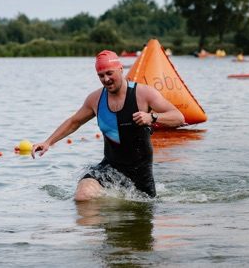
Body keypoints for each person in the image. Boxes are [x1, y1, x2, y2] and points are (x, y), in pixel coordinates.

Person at [31, 50, 185, 201]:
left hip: (139, 171)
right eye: (101, 75)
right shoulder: (95, 99)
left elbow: (178, 117)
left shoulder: (144, 94)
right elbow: (74, 121)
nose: (106, 79)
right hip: (110, 167)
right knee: (82, 196)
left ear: (120, 69)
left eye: (110, 73)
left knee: (140, 210)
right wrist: (48, 142)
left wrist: (152, 117)